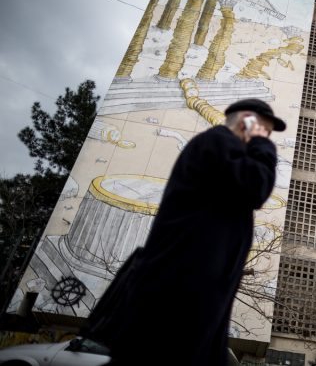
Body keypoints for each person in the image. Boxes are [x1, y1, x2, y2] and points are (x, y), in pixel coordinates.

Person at [81, 98, 285, 365]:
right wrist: (263, 145)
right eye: (264, 129)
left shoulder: (221, 151)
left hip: (183, 296)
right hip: (177, 301)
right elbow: (256, 185)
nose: (265, 135)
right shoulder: (219, 142)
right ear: (247, 119)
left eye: (267, 133)